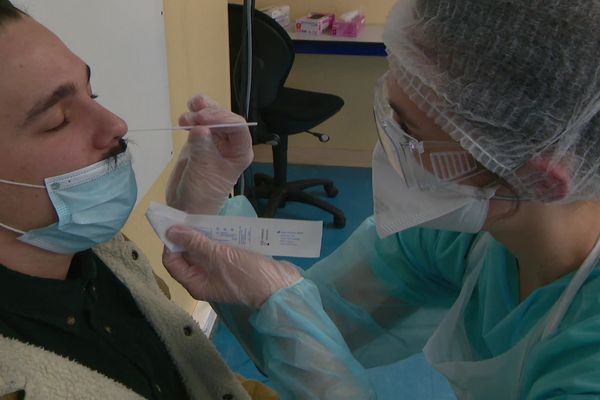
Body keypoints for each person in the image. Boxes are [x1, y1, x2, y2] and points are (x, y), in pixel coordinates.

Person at [160, 0, 600, 398]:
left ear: (540, 181)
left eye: (410, 133)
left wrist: (285, 309)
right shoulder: (459, 235)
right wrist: (205, 214)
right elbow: (308, 326)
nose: (388, 146)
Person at [0, 1, 279, 399]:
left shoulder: (105, 255)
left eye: (91, 91)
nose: (116, 123)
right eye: (58, 119)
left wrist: (200, 218)